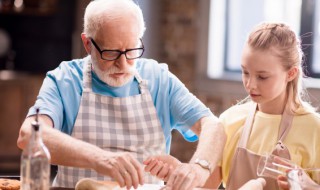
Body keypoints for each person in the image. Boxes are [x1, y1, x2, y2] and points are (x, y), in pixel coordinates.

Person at [16, 0, 226, 189]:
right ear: (88, 44)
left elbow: (212, 126)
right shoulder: (66, 79)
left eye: (131, 50)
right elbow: (28, 135)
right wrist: (100, 159)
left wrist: (199, 167)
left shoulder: (159, 78)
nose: (123, 64)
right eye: (111, 52)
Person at [144, 22, 320, 190]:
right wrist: (179, 171)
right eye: (245, 72)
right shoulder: (230, 120)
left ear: (291, 73)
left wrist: (309, 186)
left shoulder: (314, 129)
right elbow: (206, 186)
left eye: (262, 77)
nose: (250, 84)